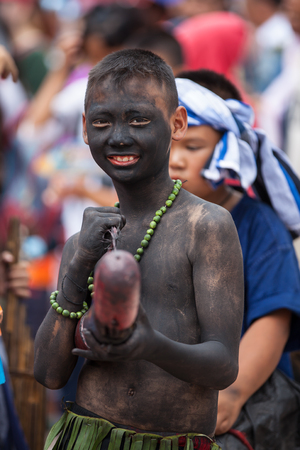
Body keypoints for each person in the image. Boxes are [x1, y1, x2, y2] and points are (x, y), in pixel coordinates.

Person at [34, 49, 244, 450]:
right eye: (101, 121)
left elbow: (223, 366)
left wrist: (151, 346)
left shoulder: (206, 226)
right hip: (85, 436)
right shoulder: (85, 242)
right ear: (84, 128)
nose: (118, 136)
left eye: (139, 120)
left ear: (176, 123)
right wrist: (78, 269)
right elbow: (48, 373)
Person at [170, 69, 300, 448]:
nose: (175, 160)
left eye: (192, 147)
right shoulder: (142, 219)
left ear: (228, 149)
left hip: (241, 405)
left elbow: (272, 320)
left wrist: (233, 393)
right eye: (168, 144)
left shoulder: (259, 226)